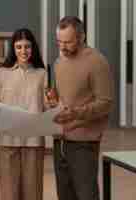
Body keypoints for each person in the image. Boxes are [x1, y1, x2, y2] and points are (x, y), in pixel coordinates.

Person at [51, 16, 114, 200]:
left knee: (86, 195)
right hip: (59, 140)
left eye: (68, 42)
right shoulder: (59, 62)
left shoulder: (97, 62)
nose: (62, 47)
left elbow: (106, 103)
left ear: (82, 37)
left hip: (83, 143)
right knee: (65, 195)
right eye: (59, 42)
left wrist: (76, 112)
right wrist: (53, 102)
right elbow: (62, 98)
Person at [0, 28, 46, 200]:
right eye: (19, 47)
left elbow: (46, 106)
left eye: (27, 47)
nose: (23, 51)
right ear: (13, 49)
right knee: (9, 193)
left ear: (33, 48)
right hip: (7, 140)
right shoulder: (1, 73)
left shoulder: (42, 74)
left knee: (33, 193)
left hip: (33, 140)